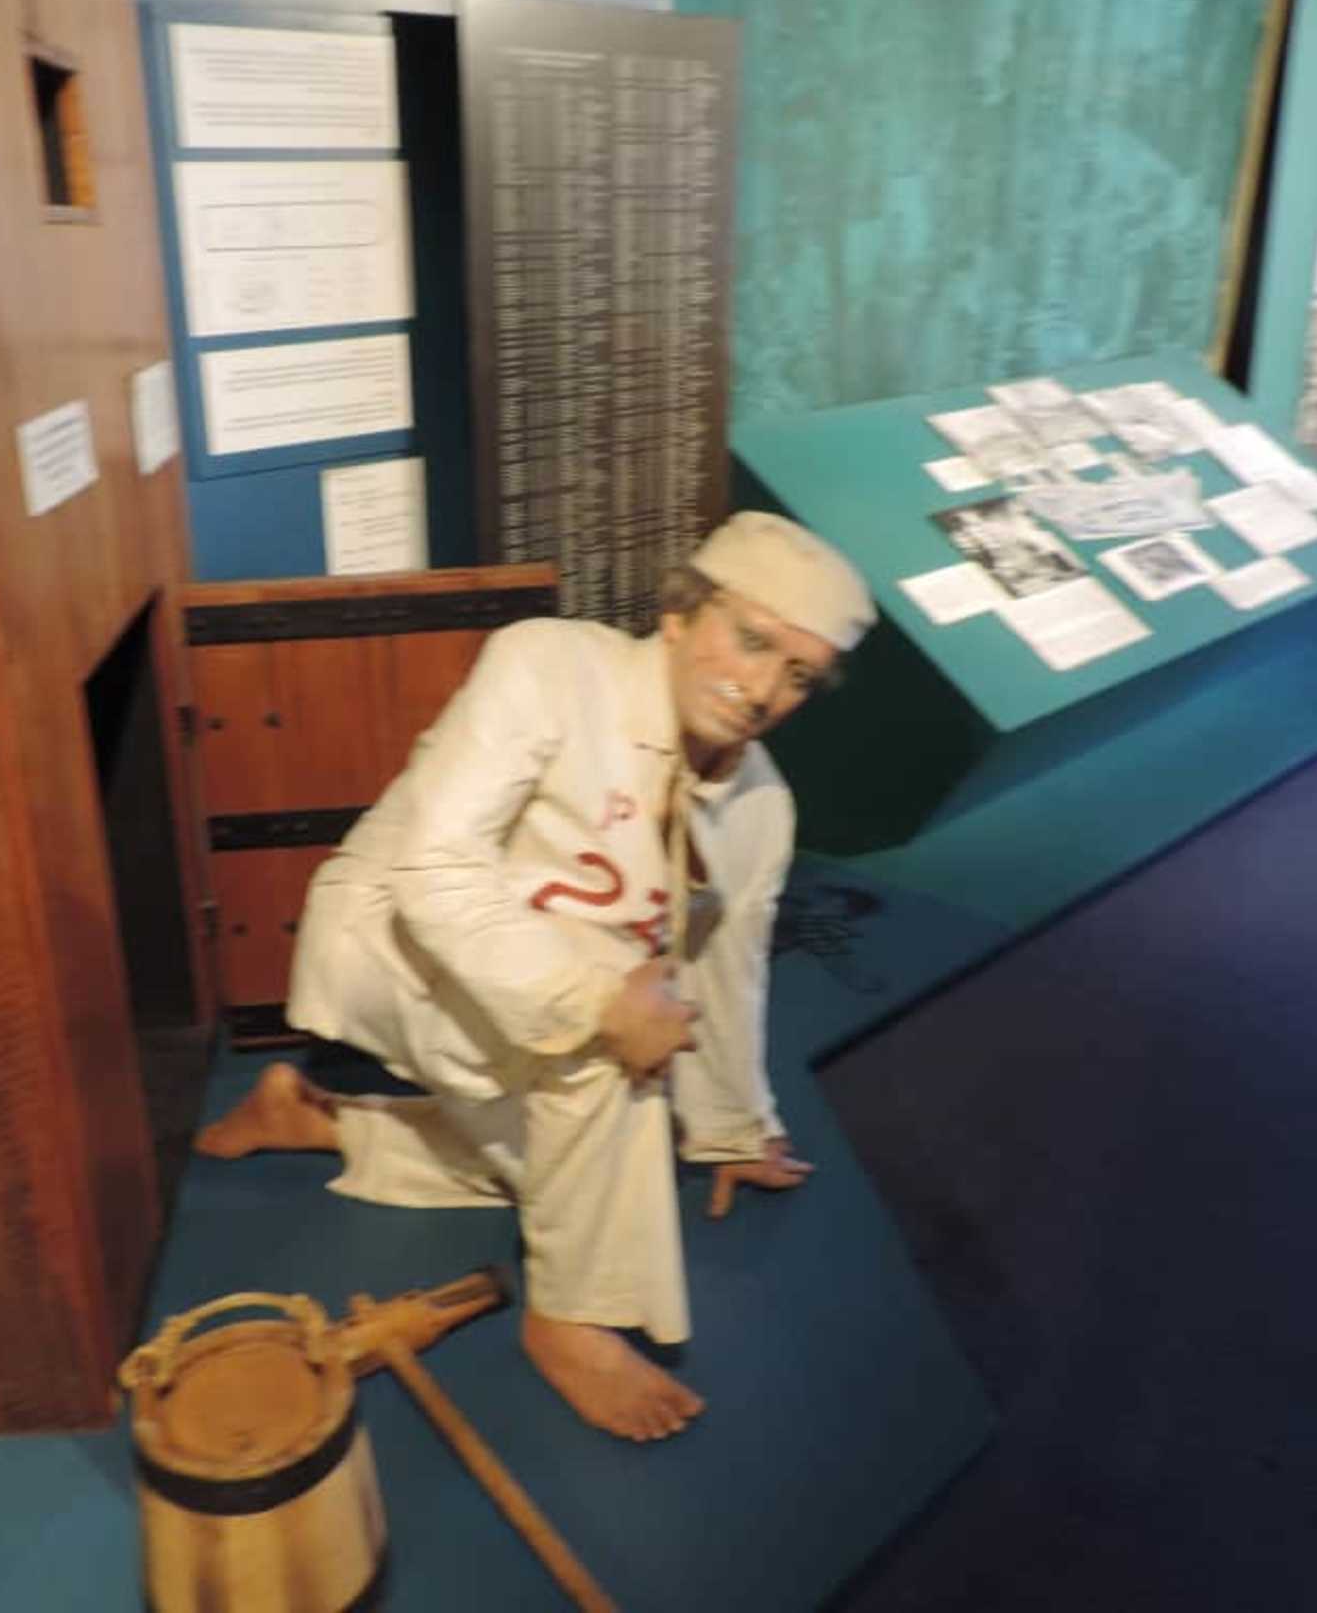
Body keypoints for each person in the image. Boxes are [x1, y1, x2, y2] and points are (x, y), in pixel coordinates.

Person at [194, 511, 875, 1442]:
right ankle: (568, 1321)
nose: (762, 689)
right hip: (387, 935)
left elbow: (728, 967)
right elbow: (433, 872)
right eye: (751, 640)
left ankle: (318, 1119)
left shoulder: (761, 807)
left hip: (518, 983)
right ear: (679, 613)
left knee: (577, 1174)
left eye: (797, 675)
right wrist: (596, 1003)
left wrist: (727, 1128)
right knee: (616, 1046)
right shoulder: (551, 666)